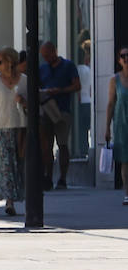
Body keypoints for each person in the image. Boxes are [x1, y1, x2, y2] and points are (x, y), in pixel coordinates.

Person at [0, 47, 27, 216]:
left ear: (10, 61)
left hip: (21, 128)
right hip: (1, 130)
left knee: (20, 165)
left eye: (0, 62)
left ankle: (18, 196)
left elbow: (34, 105)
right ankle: (9, 201)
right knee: (6, 166)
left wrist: (24, 102)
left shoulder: (24, 80)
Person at [39, 41, 80, 190]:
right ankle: (48, 178)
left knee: (62, 144)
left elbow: (77, 86)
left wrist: (60, 90)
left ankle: (62, 178)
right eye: (43, 56)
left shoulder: (68, 66)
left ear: (54, 52)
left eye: (48, 55)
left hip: (62, 110)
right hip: (46, 110)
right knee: (47, 145)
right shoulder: (42, 68)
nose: (46, 59)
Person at [105, 47, 128, 205]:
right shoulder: (115, 80)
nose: (126, 58)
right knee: (125, 160)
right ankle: (127, 192)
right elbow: (111, 104)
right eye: (123, 56)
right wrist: (107, 127)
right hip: (122, 124)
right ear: (119, 60)